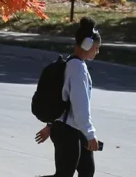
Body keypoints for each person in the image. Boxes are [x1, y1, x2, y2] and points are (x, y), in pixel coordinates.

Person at [35, 18, 101, 177]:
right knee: (65, 174)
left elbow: (63, 101)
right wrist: (90, 134)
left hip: (74, 128)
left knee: (86, 170)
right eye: (97, 47)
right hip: (67, 131)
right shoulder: (77, 69)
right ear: (87, 45)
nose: (97, 51)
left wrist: (50, 126)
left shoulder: (75, 64)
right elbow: (80, 106)